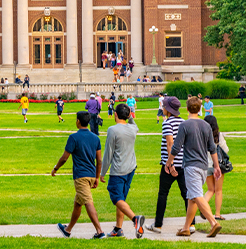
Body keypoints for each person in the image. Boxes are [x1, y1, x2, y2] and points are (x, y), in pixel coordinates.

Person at [166, 96, 222, 238]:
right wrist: (216, 166)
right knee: (192, 197)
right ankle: (186, 228)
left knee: (196, 195)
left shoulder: (184, 125)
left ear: (186, 109)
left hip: (191, 166)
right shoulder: (206, 125)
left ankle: (213, 222)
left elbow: (176, 147)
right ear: (200, 109)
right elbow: (212, 148)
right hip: (203, 166)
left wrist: (169, 161)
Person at [146, 96, 196, 234]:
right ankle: (191, 224)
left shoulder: (167, 123)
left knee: (163, 193)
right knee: (187, 194)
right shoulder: (184, 122)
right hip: (184, 164)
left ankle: (158, 224)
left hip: (170, 164)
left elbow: (170, 144)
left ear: (167, 109)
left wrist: (170, 163)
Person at [52, 111, 105, 239]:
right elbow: (99, 160)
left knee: (88, 202)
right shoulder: (95, 138)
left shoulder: (74, 138)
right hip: (91, 175)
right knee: (78, 203)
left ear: (78, 122)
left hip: (81, 176)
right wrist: (97, 177)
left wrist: (56, 168)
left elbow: (64, 158)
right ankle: (68, 229)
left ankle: (99, 231)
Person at [100, 103, 145, 238]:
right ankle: (118, 228)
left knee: (116, 197)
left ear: (115, 114)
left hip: (118, 169)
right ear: (128, 115)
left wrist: (102, 172)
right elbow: (133, 124)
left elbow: (108, 153)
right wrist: (130, 114)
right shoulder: (133, 128)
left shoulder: (113, 130)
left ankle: (135, 219)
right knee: (122, 198)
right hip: (130, 167)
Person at [204, 115, 229, 220]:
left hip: (206, 165)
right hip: (217, 164)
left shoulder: (201, 135)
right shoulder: (218, 135)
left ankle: (203, 206)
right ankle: (217, 214)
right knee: (218, 190)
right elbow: (225, 149)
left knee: (210, 190)